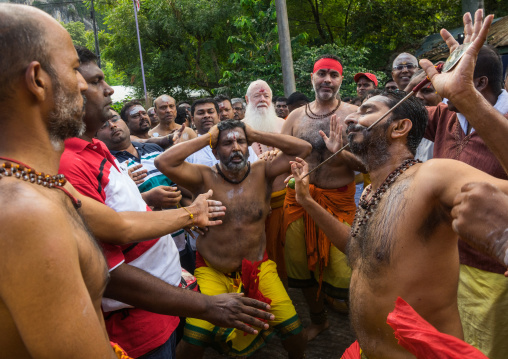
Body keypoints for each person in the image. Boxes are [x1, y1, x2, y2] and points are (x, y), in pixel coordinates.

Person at [289, 11, 507, 358]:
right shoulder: (375, 188)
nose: (350, 116)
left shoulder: (431, 176)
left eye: (366, 110)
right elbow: (362, 253)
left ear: (399, 128)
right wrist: (308, 202)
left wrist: (465, 99)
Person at [61, 46, 274, 358]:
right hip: (133, 328)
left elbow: (126, 218)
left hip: (161, 308)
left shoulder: (94, 148)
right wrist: (206, 304)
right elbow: (109, 272)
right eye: (95, 82)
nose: (108, 90)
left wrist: (177, 264)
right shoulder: (68, 164)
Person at [0, 5, 122, 357]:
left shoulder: (42, 185)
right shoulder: (24, 212)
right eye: (73, 69)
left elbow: (121, 225)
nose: (83, 84)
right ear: (38, 80)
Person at [155, 120, 312, 358]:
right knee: (197, 337)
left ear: (249, 146)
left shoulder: (263, 171)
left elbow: (303, 149)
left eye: (241, 142)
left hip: (259, 268)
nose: (236, 147)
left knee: (293, 331)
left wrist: (254, 132)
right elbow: (162, 162)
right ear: (215, 150)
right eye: (227, 143)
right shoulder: (203, 176)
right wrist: (209, 136)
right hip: (213, 270)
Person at [405, 31, 508, 359]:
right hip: (447, 258)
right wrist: (412, 90)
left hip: (493, 268)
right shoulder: (446, 115)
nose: (439, 85)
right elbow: (404, 118)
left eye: (448, 76)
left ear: (477, 84)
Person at [281, 54, 363, 341]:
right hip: (298, 203)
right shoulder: (294, 117)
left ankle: (363, 333)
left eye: (334, 75)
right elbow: (283, 159)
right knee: (300, 267)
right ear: (312, 77)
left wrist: (341, 151)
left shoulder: (355, 114)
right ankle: (318, 320)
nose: (327, 79)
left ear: (341, 80)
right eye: (322, 74)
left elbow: (369, 166)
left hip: (336, 204)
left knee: (348, 273)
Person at [96, 111, 196, 273]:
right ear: (96, 135)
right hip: (147, 253)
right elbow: (110, 211)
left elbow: (179, 188)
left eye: (114, 120)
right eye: (104, 125)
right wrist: (138, 193)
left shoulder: (154, 148)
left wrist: (190, 215)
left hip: (179, 239)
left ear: (124, 123)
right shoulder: (107, 166)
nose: (112, 125)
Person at [243, 80, 288, 282]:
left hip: (286, 202)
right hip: (253, 206)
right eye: (257, 96)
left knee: (290, 257)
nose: (262, 99)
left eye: (266, 96)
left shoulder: (284, 124)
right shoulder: (238, 129)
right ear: (247, 99)